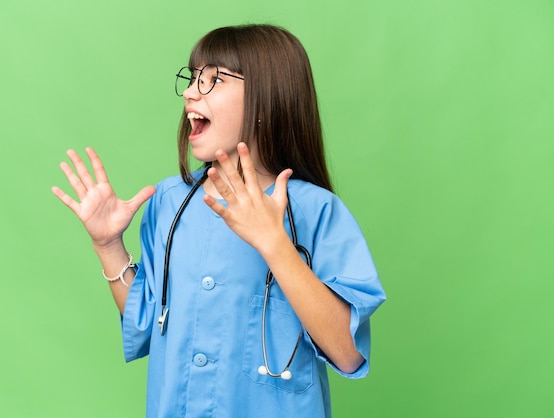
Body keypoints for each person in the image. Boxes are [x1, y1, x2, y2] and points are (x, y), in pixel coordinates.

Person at [52, 24, 385, 418]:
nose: (192, 92)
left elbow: (347, 355)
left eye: (214, 80)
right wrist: (107, 245)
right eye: (193, 78)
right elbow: (147, 326)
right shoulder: (170, 203)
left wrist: (275, 246)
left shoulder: (317, 212)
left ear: (268, 97)